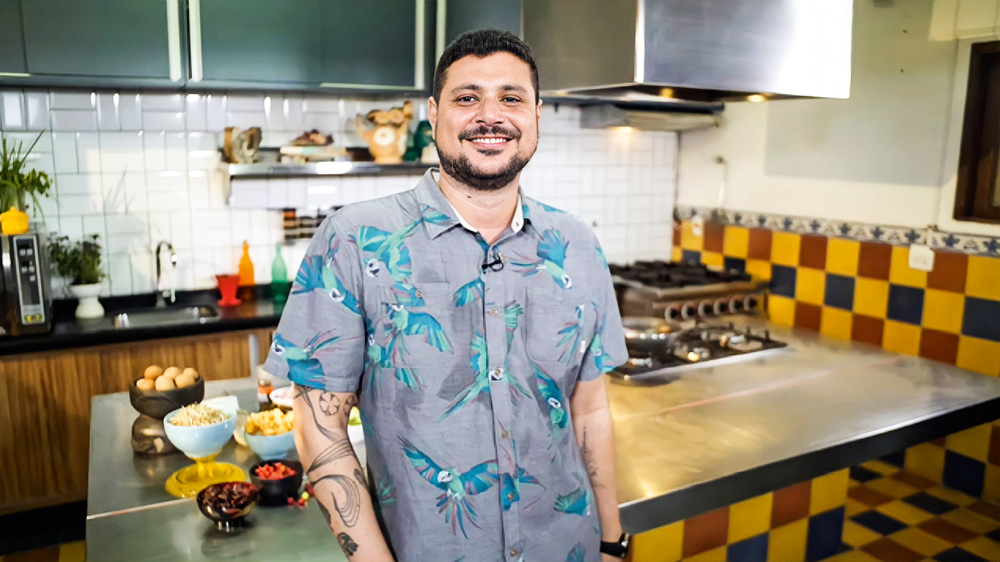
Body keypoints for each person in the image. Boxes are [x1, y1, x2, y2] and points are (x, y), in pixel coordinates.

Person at [263, 29, 630, 562]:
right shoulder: (354, 239)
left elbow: (590, 409)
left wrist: (611, 541)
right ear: (433, 114)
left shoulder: (576, 244)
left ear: (536, 116)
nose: (490, 115)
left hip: (565, 547)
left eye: (511, 98)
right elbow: (319, 429)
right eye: (467, 97)